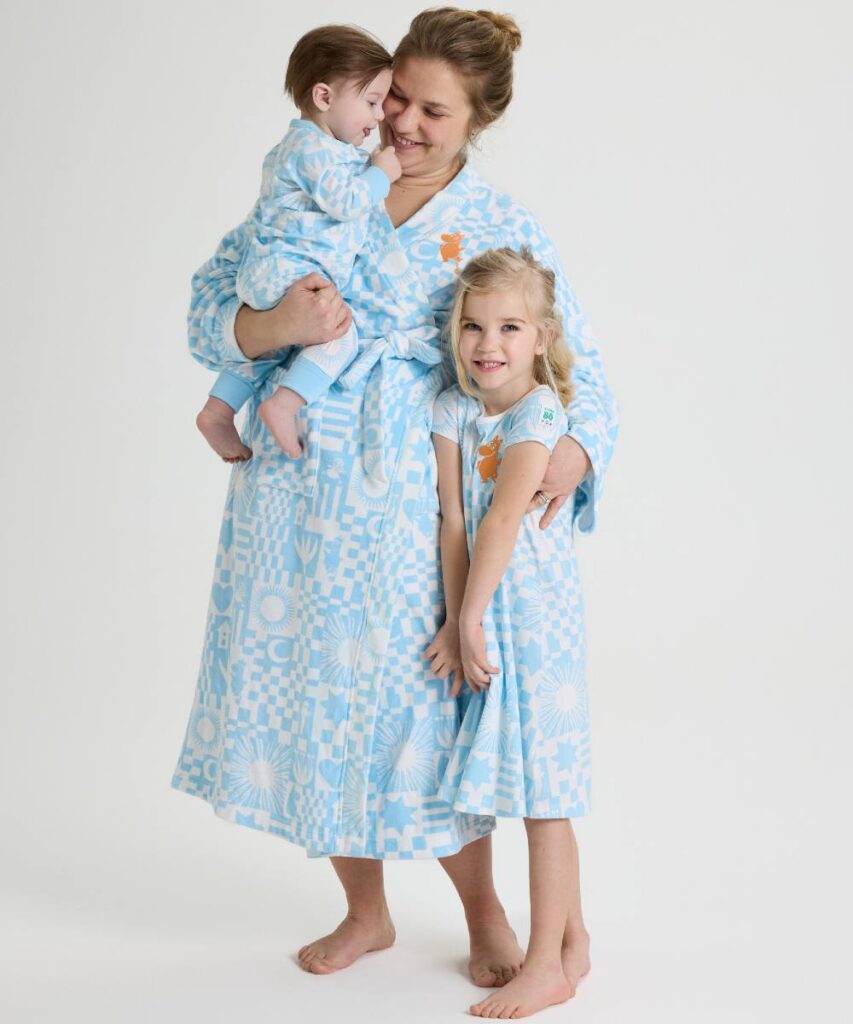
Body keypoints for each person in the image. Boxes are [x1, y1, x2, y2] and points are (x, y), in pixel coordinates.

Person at [171, 7, 618, 1002]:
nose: (404, 124)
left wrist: (573, 452)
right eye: (396, 99)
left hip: (421, 495)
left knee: (418, 703)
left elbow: (573, 363)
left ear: (474, 123)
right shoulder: (318, 178)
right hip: (296, 489)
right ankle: (365, 911)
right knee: (316, 700)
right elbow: (209, 299)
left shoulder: (501, 226)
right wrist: (269, 323)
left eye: (432, 110)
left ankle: (484, 910)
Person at [429, 246, 589, 1017]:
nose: (487, 343)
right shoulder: (453, 410)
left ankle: (546, 965)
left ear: (540, 335)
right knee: (521, 780)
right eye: (472, 325)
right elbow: (455, 519)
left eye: (509, 327)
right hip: (485, 618)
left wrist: (470, 619)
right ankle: (574, 940)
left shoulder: (540, 412)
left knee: (542, 790)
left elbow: (502, 515)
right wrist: (458, 619)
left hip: (534, 620)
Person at [196, 25, 403, 465]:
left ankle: (219, 409)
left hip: (271, 272)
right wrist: (381, 173)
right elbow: (346, 201)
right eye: (370, 102)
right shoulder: (309, 148)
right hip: (286, 270)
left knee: (273, 350)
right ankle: (284, 405)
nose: (381, 116)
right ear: (324, 97)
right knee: (340, 336)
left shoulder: (317, 149)